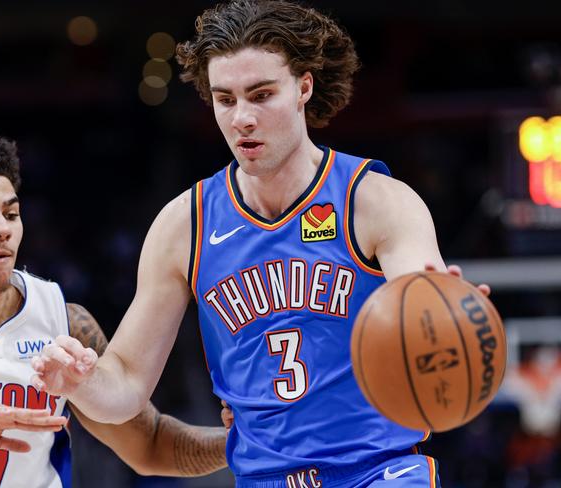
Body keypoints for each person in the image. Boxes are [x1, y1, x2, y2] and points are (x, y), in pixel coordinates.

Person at [32, 1, 489, 486]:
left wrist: (446, 313)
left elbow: (420, 297)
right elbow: (124, 384)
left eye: (261, 95)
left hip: (380, 470)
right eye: (226, 100)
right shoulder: (184, 225)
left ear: (303, 88)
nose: (242, 118)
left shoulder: (375, 200)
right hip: (263, 477)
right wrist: (81, 382)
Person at [0, 124, 228, 488]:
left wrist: (249, 441)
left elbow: (152, 445)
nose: (2, 229)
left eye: (11, 214)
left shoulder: (64, 322)